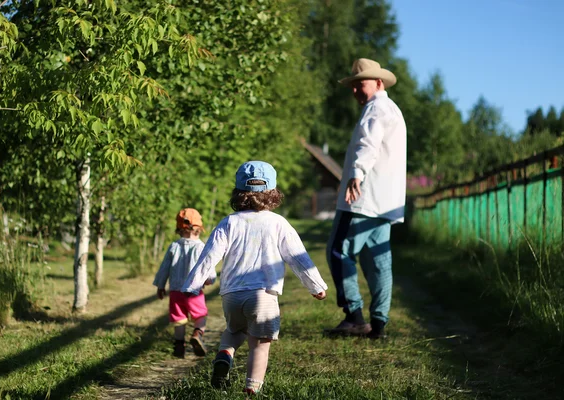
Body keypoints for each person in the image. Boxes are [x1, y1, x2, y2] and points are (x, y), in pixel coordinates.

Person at [181, 161, 328, 395]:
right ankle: (252, 390)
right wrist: (316, 285)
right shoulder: (278, 223)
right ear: (273, 193)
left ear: (238, 192)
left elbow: (209, 256)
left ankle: (224, 354)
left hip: (231, 294)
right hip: (264, 295)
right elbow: (298, 257)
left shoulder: (228, 222)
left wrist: (192, 283)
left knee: (234, 330)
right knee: (260, 344)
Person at [325, 58, 407, 339]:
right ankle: (379, 324)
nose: (356, 90)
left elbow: (368, 144)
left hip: (363, 197)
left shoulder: (376, 108)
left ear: (379, 83)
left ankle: (354, 316)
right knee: (378, 261)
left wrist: (356, 174)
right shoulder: (393, 110)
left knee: (339, 251)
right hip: (386, 202)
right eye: (353, 85)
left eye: (360, 84)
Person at [153, 208, 216, 358]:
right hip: (193, 291)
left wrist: (161, 285)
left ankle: (179, 346)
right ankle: (197, 334)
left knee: (179, 319)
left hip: (175, 291)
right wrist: (210, 279)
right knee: (200, 315)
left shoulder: (174, 246)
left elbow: (164, 268)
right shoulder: (201, 247)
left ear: (179, 228)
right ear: (199, 228)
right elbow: (207, 267)